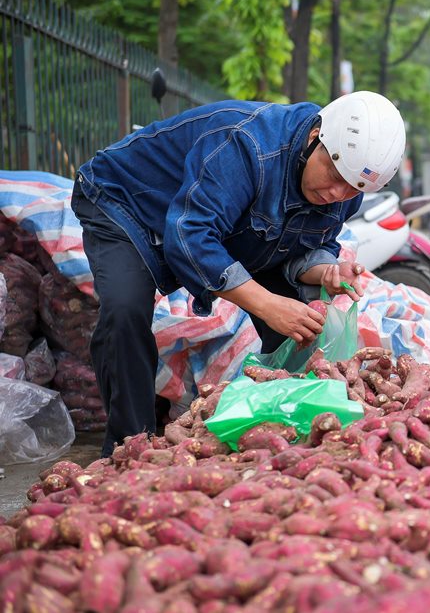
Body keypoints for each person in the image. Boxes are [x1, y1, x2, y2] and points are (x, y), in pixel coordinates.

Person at [72, 90, 406, 457]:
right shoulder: (247, 145)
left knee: (303, 328)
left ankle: (293, 430)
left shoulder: (346, 187)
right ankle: (128, 447)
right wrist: (265, 304)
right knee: (125, 310)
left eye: (353, 187)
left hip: (228, 226)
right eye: (335, 175)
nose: (337, 192)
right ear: (315, 140)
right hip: (127, 203)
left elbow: (305, 245)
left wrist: (325, 269)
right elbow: (189, 236)